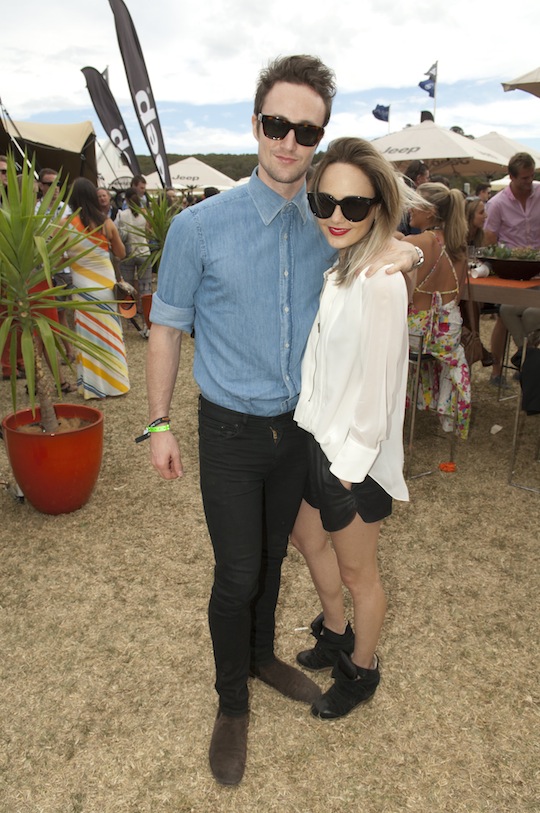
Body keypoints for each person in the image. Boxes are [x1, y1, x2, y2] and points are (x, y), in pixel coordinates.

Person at [144, 54, 420, 787]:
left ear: (320, 135)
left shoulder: (330, 220)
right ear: (255, 123)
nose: (289, 141)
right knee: (237, 572)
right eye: (276, 124)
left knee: (271, 556)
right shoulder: (199, 228)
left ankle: (263, 654)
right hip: (230, 431)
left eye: (306, 129)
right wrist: (159, 422)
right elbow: (165, 327)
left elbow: (386, 243)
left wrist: (408, 249)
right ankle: (231, 700)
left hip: (297, 431)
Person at [289, 137, 411, 721]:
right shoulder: (344, 268)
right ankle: (336, 632)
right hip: (319, 439)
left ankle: (361, 670)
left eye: (355, 206)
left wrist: (347, 469)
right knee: (306, 539)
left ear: (379, 209)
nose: (337, 216)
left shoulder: (380, 279)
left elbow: (382, 392)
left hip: (352, 461)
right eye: (326, 202)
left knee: (362, 573)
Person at [404, 182, 471, 439]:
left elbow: (403, 295)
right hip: (447, 339)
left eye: (414, 201)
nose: (409, 207)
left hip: (415, 338)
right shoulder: (459, 248)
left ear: (430, 211)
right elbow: (458, 296)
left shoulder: (415, 244)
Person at [65, 178, 130, 399]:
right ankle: (116, 384)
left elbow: (56, 261)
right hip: (104, 286)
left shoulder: (66, 224)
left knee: (87, 335)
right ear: (94, 196)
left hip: (82, 287)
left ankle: (93, 387)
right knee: (110, 333)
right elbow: (121, 254)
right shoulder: (106, 223)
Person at [485, 153, 540, 381]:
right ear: (511, 177)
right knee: (503, 316)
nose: (529, 182)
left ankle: (526, 361)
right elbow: (489, 239)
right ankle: (498, 371)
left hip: (538, 268)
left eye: (531, 176)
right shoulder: (497, 203)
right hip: (513, 272)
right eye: (524, 179)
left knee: (528, 313)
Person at [460, 196, 497, 367]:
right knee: (466, 302)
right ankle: (477, 345)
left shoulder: (484, 237)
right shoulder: (458, 236)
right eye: (481, 212)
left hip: (478, 287)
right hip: (462, 288)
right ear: (469, 215)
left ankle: (476, 344)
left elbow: (490, 261)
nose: (486, 216)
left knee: (470, 301)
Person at [116, 187, 151, 314]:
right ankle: (146, 314)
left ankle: (130, 313)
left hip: (128, 253)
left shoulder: (122, 215)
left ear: (126, 200)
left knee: (128, 285)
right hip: (144, 252)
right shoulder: (145, 213)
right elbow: (149, 233)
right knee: (146, 287)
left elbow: (121, 236)